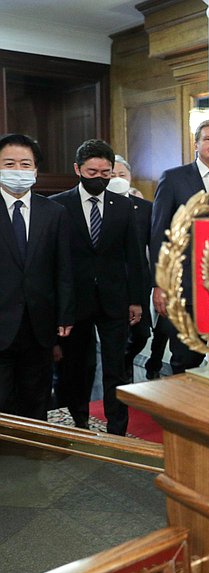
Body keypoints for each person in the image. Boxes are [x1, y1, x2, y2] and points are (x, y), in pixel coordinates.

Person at [52, 139, 145, 435]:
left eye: (106, 173)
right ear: (78, 169)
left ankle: (117, 426)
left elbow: (135, 256)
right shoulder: (58, 205)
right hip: (75, 300)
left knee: (116, 367)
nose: (100, 178)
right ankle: (79, 419)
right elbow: (55, 261)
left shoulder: (123, 206)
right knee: (78, 366)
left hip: (115, 299)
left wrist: (137, 299)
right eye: (92, 172)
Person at [150, 119, 209, 374]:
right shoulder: (173, 178)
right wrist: (159, 284)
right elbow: (160, 234)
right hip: (187, 287)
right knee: (185, 358)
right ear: (196, 144)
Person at [0, 134, 74, 420]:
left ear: (35, 170)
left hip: (39, 320)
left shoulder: (54, 212)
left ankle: (36, 452)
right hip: (2, 318)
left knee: (36, 391)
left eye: (24, 164)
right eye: (9, 163)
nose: (17, 170)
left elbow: (63, 268)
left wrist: (64, 314)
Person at [107, 155, 153, 382]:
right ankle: (121, 382)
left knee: (141, 335)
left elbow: (152, 246)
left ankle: (125, 364)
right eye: (111, 175)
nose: (116, 179)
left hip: (139, 282)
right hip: (111, 283)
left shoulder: (145, 208)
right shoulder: (100, 207)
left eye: (121, 175)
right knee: (116, 337)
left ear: (130, 177)